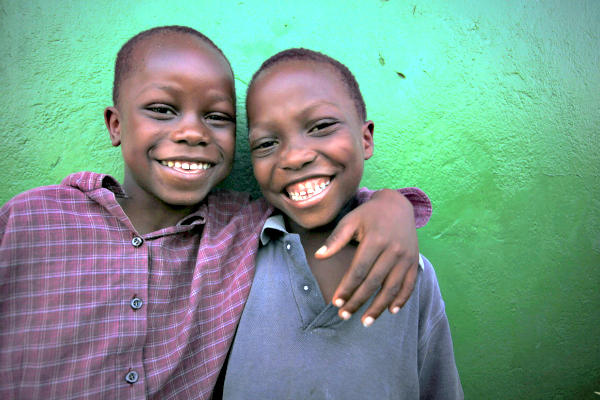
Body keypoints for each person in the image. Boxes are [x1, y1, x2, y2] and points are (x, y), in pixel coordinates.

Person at [0, 27, 432, 399]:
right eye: (162, 110)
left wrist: (391, 203)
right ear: (115, 125)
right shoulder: (31, 220)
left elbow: (319, 196)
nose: (191, 132)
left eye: (217, 116)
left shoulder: (240, 228)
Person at [222, 48, 462, 399]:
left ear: (366, 139)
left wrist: (393, 203)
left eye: (320, 127)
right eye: (267, 143)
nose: (294, 156)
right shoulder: (235, 259)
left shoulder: (412, 272)